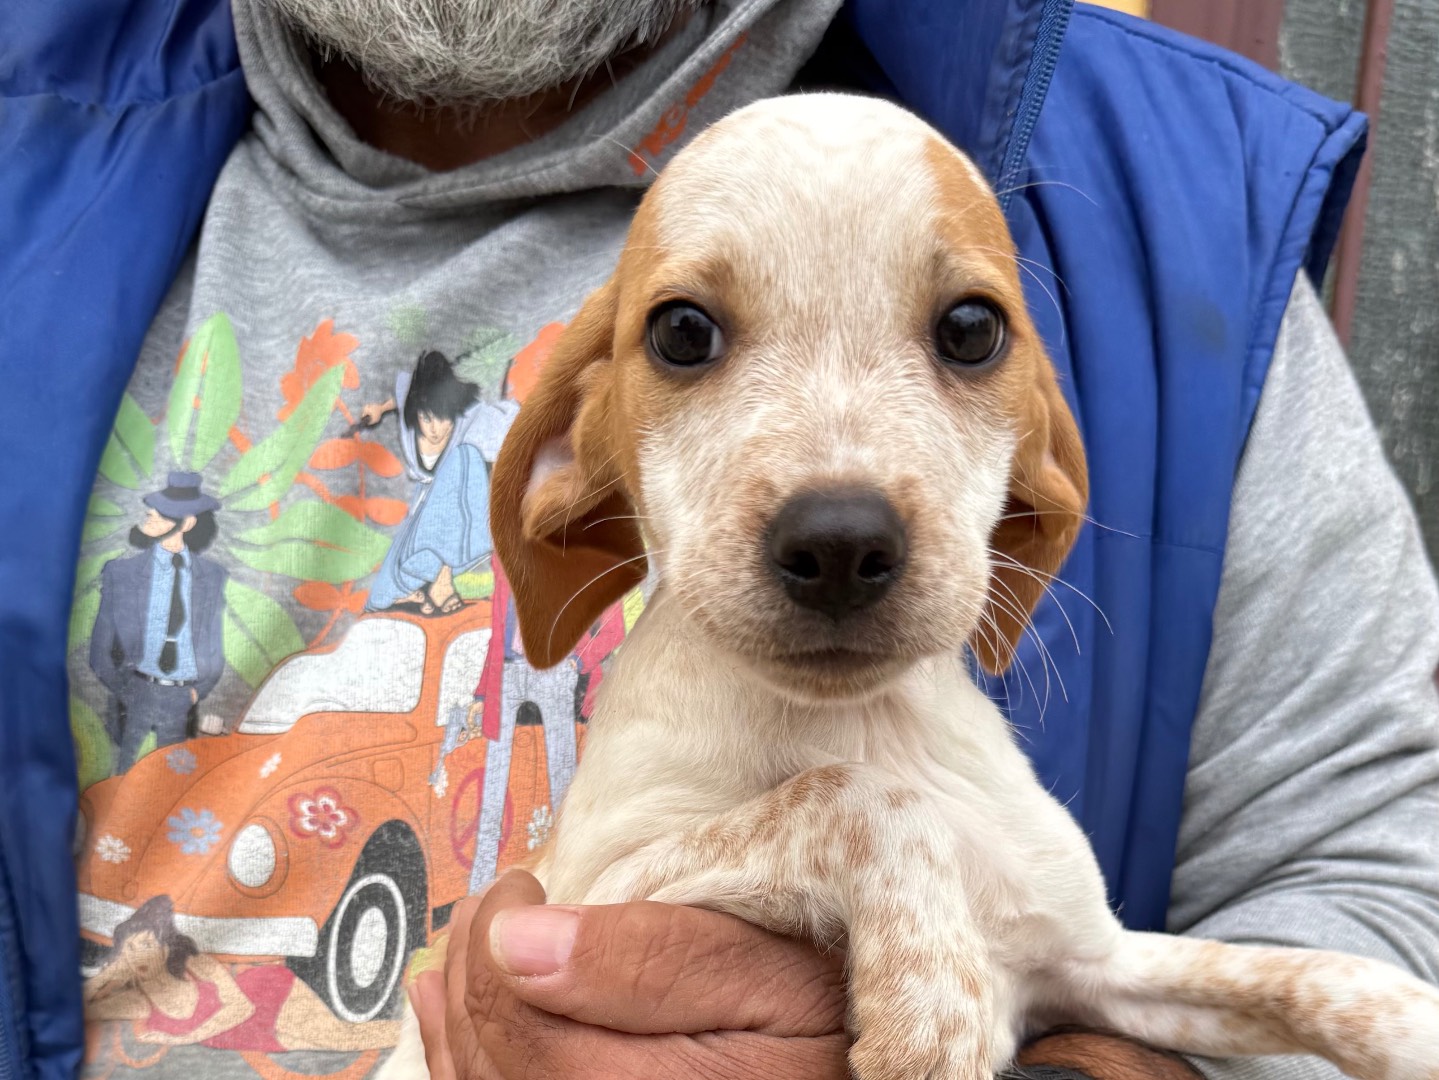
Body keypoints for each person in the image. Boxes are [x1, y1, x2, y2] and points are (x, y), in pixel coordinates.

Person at [4, 4, 1437, 1080]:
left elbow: (1382, 883)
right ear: (567, 471)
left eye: (957, 336)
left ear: (1037, 486)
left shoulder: (1174, 200)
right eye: (689, 338)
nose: (835, 507)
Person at [84, 897, 399, 1053]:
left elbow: (242, 1007)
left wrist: (183, 1037)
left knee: (344, 1038)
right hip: (254, 1036)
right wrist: (106, 975)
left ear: (165, 948)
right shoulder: (138, 1003)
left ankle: (427, 1027)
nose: (139, 954)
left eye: (147, 944)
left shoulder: (197, 966)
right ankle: (417, 1030)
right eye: (130, 949)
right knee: (343, 1043)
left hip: (268, 996)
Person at [88, 473, 228, 772]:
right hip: (137, 687)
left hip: (182, 695)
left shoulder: (211, 576)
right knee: (124, 774)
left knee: (171, 778)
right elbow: (101, 648)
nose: (148, 518)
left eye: (158, 514)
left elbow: (213, 639)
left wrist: (197, 691)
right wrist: (126, 690)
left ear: (186, 523)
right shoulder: (121, 573)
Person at [361, 350, 518, 616]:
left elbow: (504, 421)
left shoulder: (467, 418)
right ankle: (418, 587)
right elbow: (402, 397)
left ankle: (443, 581)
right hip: (427, 511)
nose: (434, 428)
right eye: (425, 418)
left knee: (464, 455)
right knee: (379, 595)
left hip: (460, 507)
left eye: (442, 419)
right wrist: (379, 409)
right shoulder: (413, 413)